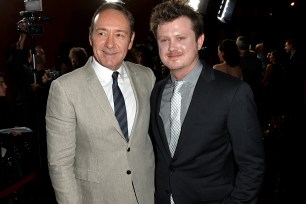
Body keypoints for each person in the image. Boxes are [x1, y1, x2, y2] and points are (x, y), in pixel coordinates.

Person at [149, 1, 265, 204]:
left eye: (180, 38)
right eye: (164, 40)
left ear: (200, 41)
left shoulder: (233, 92)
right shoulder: (157, 91)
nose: (172, 47)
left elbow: (252, 166)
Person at [46, 2, 156, 204]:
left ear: (131, 40)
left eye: (120, 35)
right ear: (90, 36)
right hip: (96, 198)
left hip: (146, 194)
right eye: (102, 33)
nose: (110, 44)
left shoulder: (146, 77)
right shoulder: (64, 88)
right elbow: (60, 164)